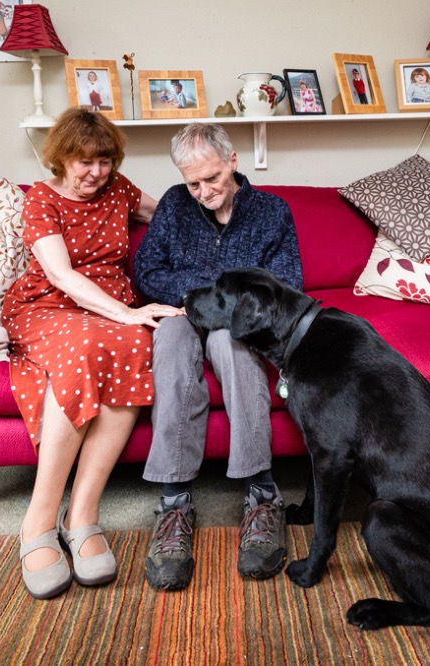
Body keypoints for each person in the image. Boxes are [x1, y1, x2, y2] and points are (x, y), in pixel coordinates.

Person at [1, 108, 183, 600]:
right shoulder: (41, 200)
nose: (95, 173)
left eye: (104, 161)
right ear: (60, 159)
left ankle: (82, 513)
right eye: (83, 162)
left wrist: (226, 204)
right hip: (48, 306)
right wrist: (125, 313)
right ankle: (38, 520)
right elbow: (60, 276)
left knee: (135, 342)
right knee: (86, 346)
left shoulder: (118, 189)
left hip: (109, 312)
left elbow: (169, 213)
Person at [133, 123, 303, 590]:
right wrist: (192, 298)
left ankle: (262, 495)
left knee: (234, 346)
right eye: (193, 183)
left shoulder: (271, 212)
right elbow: (147, 269)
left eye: (212, 178)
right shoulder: (173, 204)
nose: (203, 191)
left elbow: (287, 283)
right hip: (183, 310)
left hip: (239, 319)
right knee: (168, 344)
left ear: (232, 159)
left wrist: (228, 310)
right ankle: (174, 503)